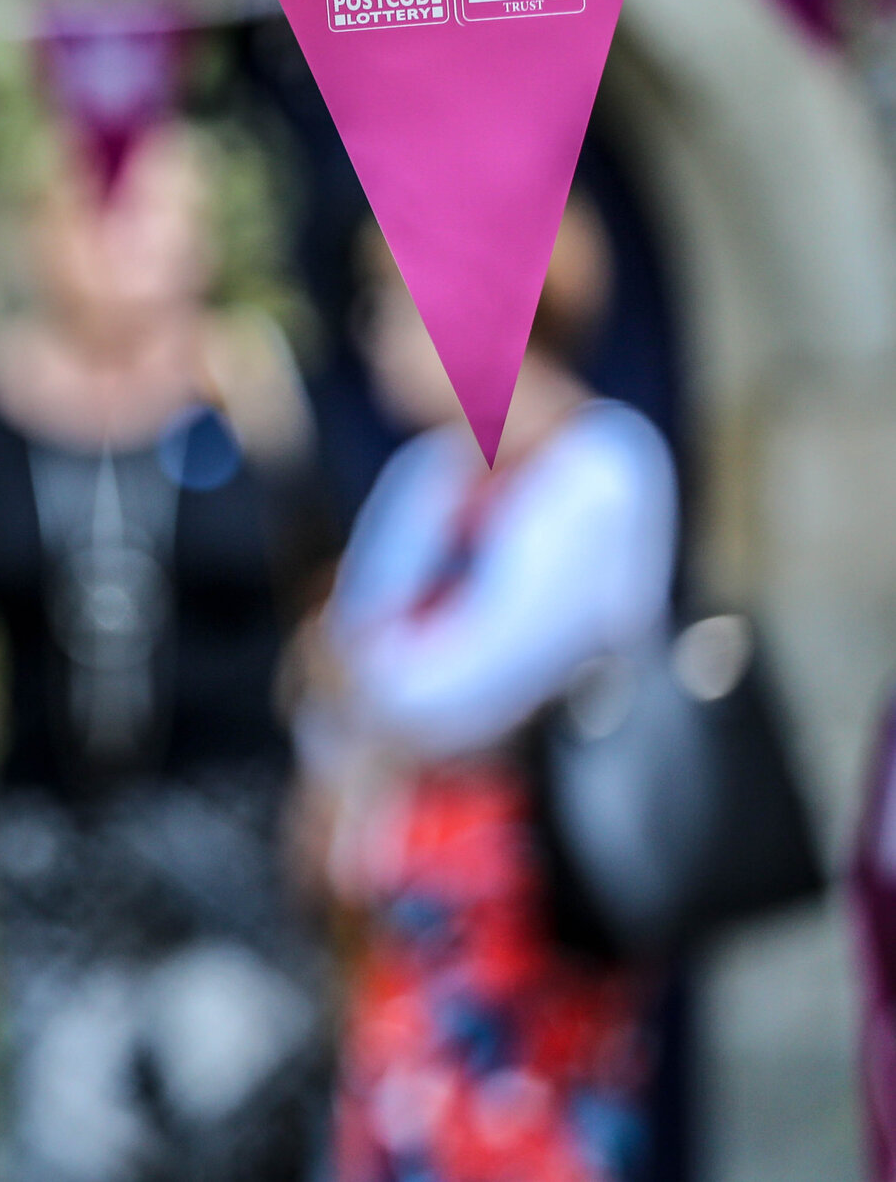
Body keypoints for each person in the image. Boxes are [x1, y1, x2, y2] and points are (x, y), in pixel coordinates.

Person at [0, 126, 331, 1182]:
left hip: (233, 847)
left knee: (245, 1125)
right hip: (50, 857)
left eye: (161, 215)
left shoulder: (256, 396)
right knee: (66, 1141)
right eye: (108, 212)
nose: (135, 245)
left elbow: (329, 610)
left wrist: (346, 803)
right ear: (44, 235)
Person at [300, 199, 675, 1182]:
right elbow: (346, 689)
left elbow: (460, 683)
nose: (371, 337)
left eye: (391, 308)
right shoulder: (424, 478)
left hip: (533, 906)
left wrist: (356, 677)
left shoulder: (604, 466)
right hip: (403, 910)